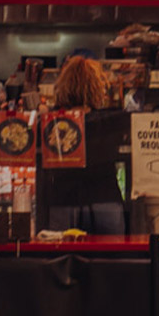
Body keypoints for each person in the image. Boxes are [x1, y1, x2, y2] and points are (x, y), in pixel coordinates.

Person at [38, 55, 127, 235]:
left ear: (63, 86)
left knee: (61, 259)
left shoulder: (49, 121)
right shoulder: (111, 120)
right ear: (97, 87)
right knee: (112, 258)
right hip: (105, 200)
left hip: (62, 201)